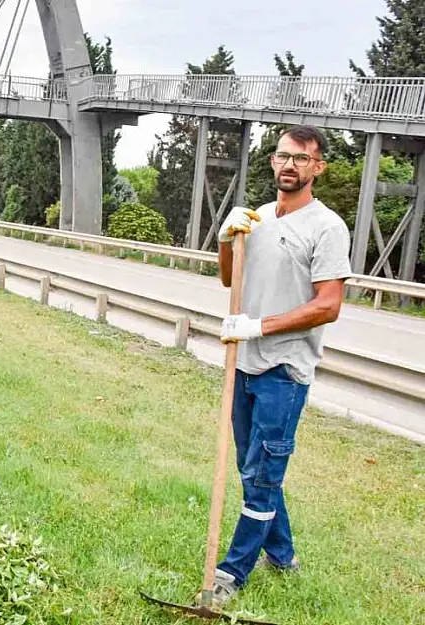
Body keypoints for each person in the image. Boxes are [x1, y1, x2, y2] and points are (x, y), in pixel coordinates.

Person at [209, 124, 352, 606]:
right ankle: (284, 556)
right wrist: (228, 239)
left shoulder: (327, 227)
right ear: (272, 161)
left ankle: (231, 573)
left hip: (284, 371)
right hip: (243, 364)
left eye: (301, 158)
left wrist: (258, 327)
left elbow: (328, 305)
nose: (289, 164)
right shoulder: (259, 217)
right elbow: (231, 278)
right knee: (256, 472)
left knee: (263, 475)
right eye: (282, 155)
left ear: (318, 167)